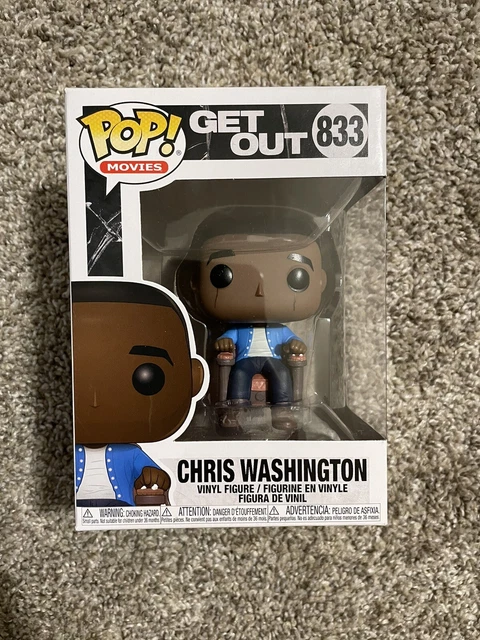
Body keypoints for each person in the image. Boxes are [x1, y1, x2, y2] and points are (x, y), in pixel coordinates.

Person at [71, 280, 205, 507]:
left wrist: (154, 476)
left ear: (194, 377)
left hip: (120, 508)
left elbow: (156, 476)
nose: (95, 400)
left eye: (147, 377)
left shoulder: (130, 454)